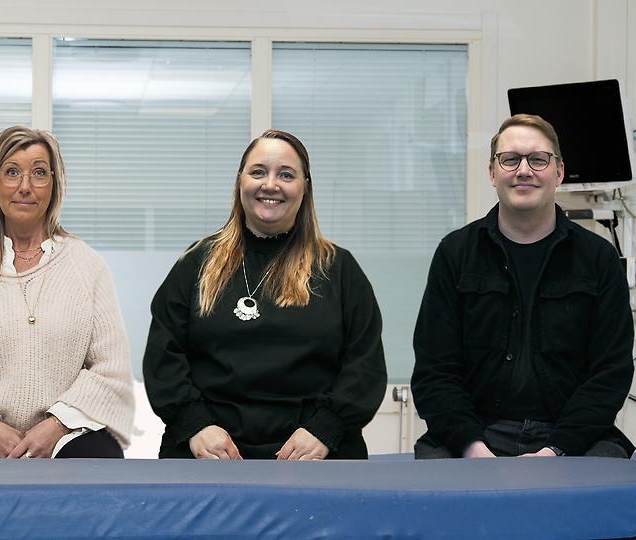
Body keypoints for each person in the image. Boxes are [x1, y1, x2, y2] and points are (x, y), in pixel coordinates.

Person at [143, 129, 386, 460]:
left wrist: (326, 429)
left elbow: (365, 364)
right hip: (209, 452)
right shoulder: (196, 263)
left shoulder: (339, 269)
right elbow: (163, 355)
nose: (270, 185)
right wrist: (195, 425)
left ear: (305, 187)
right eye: (258, 172)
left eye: (286, 175)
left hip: (315, 454)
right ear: (240, 181)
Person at [412, 113, 635, 458]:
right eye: (510, 159)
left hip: (573, 437)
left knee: (607, 476)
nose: (524, 170)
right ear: (492, 172)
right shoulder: (455, 254)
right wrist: (473, 449)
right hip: (474, 434)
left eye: (538, 159)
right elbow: (434, 371)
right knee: (436, 478)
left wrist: (556, 450)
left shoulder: (598, 259)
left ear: (559, 172)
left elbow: (610, 373)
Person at [0, 126, 134, 459]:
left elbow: (109, 368)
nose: (25, 186)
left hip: (68, 434)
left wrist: (57, 425)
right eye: (12, 172)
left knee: (100, 461)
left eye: (39, 173)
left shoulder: (87, 265)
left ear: (54, 185)